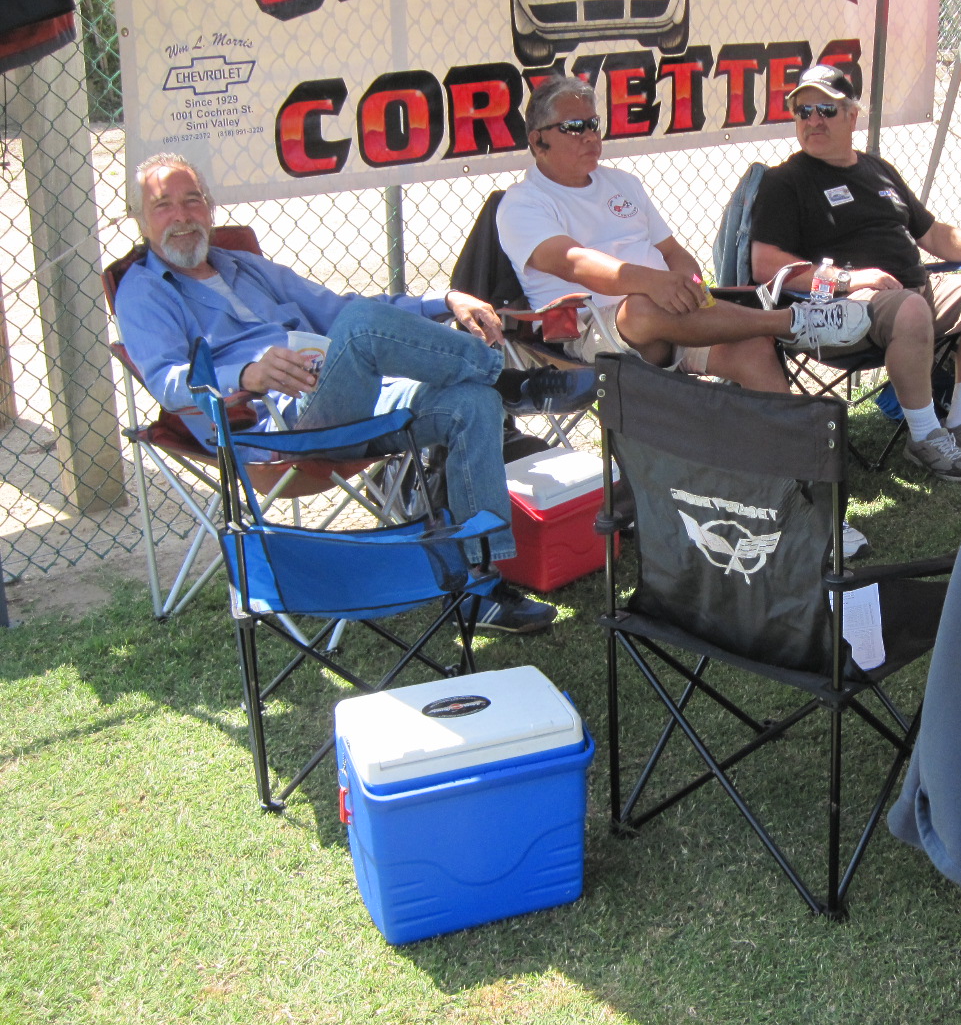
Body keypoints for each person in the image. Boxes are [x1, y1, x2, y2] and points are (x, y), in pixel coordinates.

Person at [117, 153, 589, 634]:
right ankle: (509, 380)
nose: (181, 216)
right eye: (163, 205)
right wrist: (247, 375)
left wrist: (443, 300)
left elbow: (341, 308)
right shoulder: (144, 292)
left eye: (192, 200)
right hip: (281, 431)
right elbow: (171, 383)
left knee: (472, 403)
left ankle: (479, 586)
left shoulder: (244, 266)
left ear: (210, 208)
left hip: (351, 398)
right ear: (140, 220)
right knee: (362, 331)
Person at [496, 76, 872, 395]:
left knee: (753, 350)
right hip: (585, 332)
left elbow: (674, 252)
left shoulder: (623, 183)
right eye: (574, 128)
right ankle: (793, 322)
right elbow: (572, 262)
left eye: (594, 124)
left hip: (671, 316)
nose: (590, 136)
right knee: (641, 306)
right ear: (538, 141)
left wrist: (689, 284)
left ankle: (795, 467)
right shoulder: (522, 203)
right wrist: (655, 284)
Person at [748, 63, 961, 483]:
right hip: (840, 308)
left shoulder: (877, 169)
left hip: (914, 292)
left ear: (851, 115)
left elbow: (933, 233)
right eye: (802, 112)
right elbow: (766, 265)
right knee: (912, 309)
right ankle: (923, 437)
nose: (812, 121)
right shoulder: (785, 181)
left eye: (825, 109)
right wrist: (850, 279)